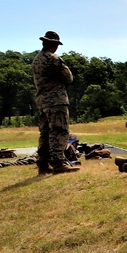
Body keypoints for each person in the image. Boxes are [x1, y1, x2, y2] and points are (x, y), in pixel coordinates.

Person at [32, 31, 80, 174]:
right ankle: (58, 162)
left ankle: (43, 163)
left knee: (45, 133)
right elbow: (68, 78)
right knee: (59, 130)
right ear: (53, 45)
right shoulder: (53, 59)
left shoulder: (36, 60)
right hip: (56, 100)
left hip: (42, 101)